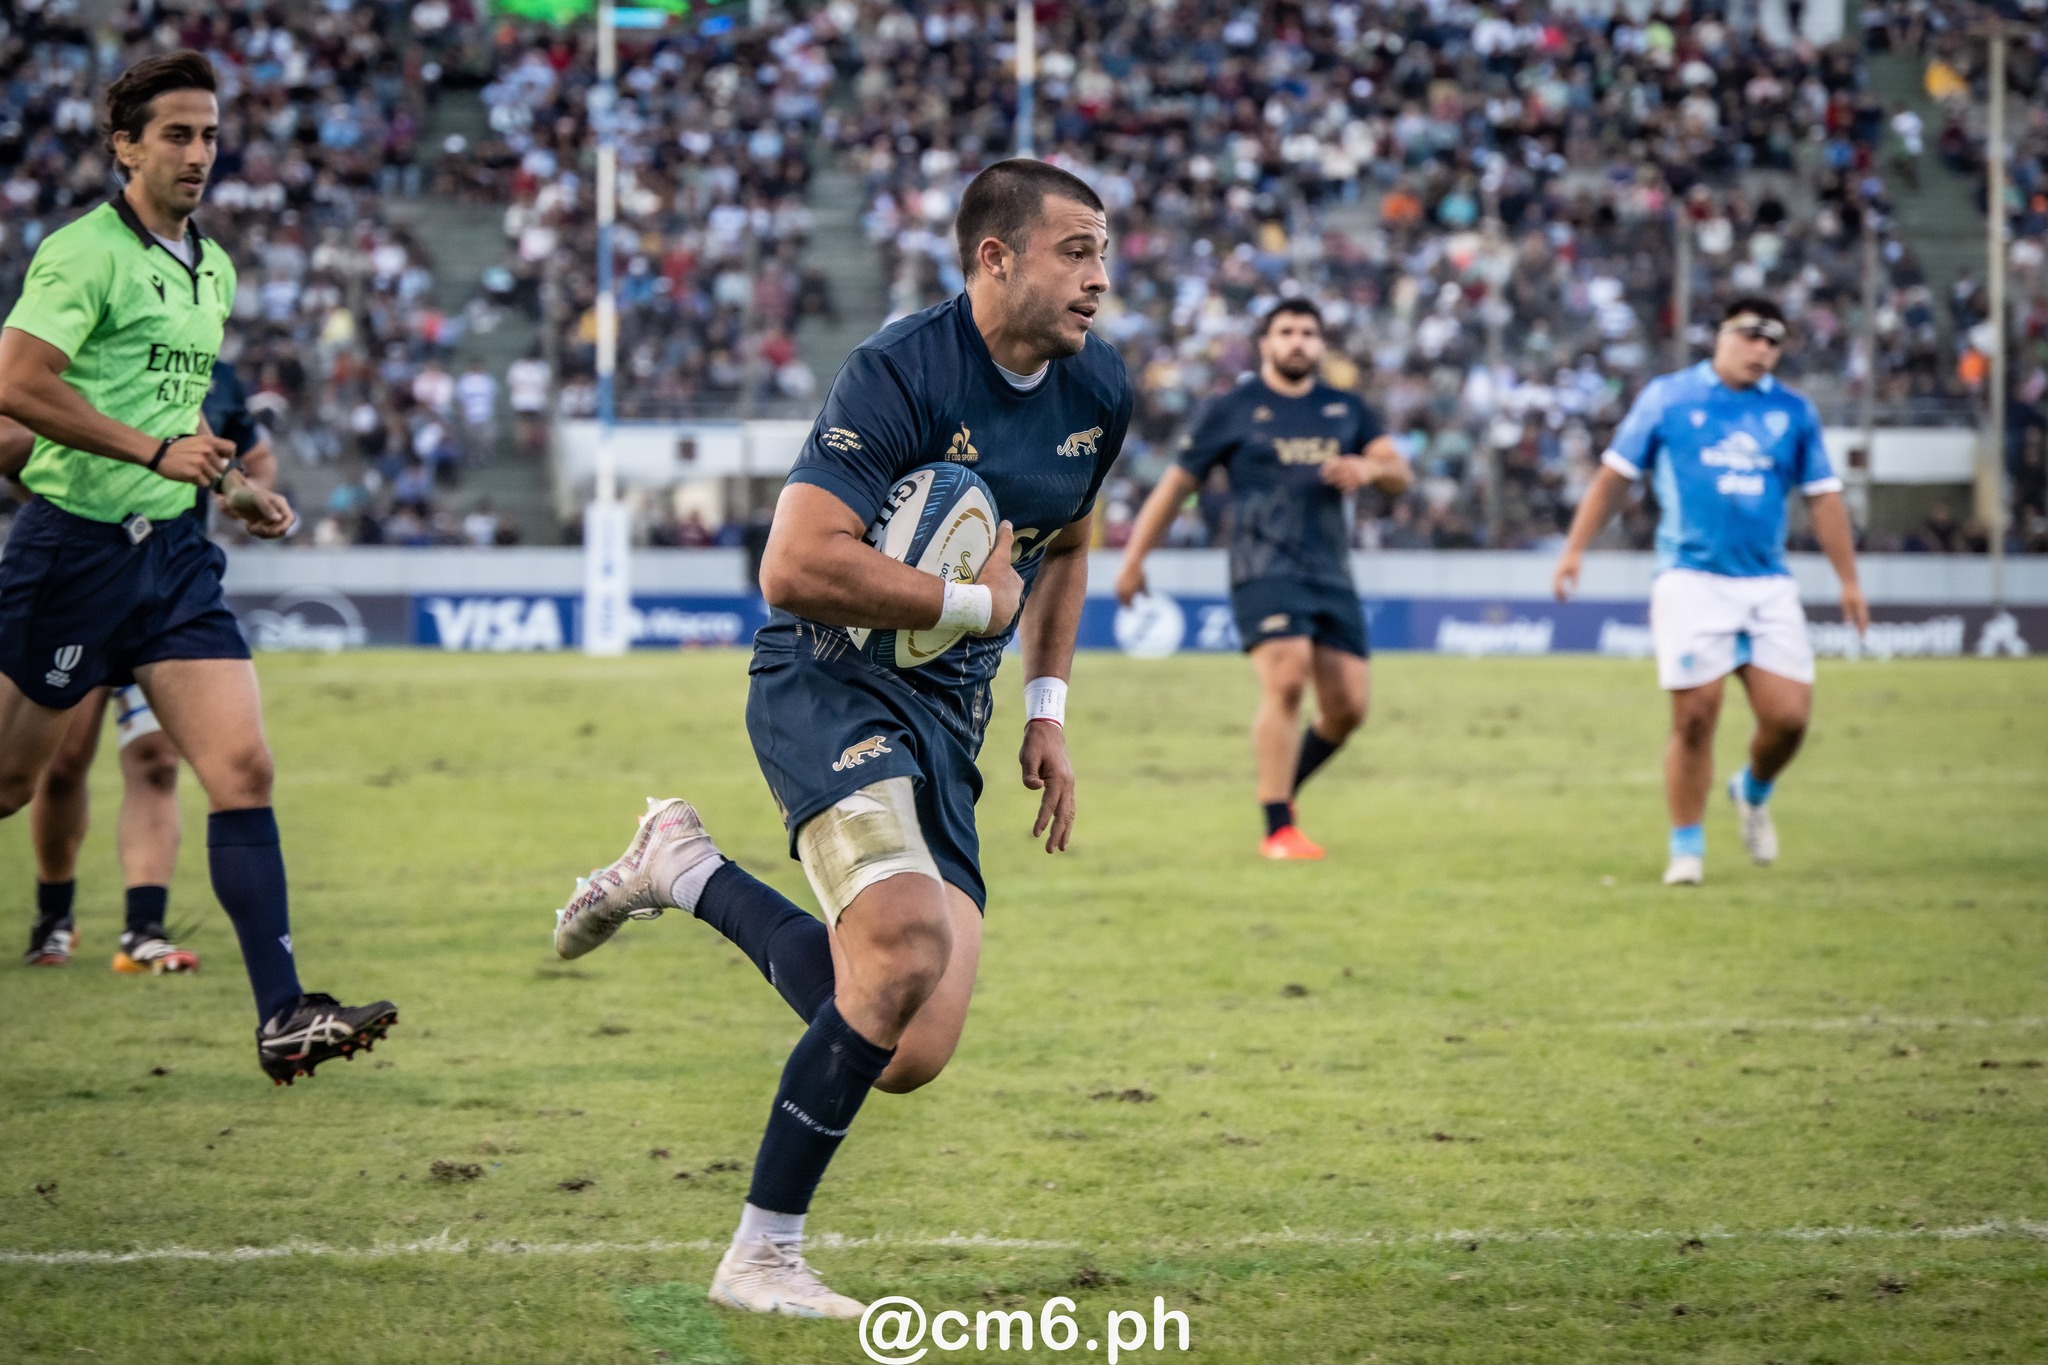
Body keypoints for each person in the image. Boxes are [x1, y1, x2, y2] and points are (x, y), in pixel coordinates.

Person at [549, 159, 1129, 1317]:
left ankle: (682, 867)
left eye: (1103, 253)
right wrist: (972, 606)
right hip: (829, 683)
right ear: (994, 258)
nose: (1098, 278)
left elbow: (1065, 549)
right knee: (903, 947)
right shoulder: (898, 372)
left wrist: (1046, 711)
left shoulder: (1099, 387)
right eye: (1075, 251)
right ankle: (761, 1256)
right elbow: (793, 566)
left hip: (948, 720)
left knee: (909, 1046)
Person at [0, 51, 397, 1079]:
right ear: (125, 148)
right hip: (71, 551)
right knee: (9, 784)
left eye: (210, 134)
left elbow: (176, 418)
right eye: (176, 134)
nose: (198, 153)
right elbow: (18, 383)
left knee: (242, 769)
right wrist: (150, 453)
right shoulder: (81, 253)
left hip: (174, 556)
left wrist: (235, 489)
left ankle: (283, 1015)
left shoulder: (210, 267)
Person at [1552, 296, 1869, 885]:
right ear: (1720, 336)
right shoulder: (1668, 398)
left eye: (1773, 342)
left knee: (1789, 719)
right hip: (1690, 577)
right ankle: (1687, 850)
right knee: (1696, 714)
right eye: (1751, 335)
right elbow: (1614, 477)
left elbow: (1823, 498)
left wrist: (1848, 580)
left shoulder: (1793, 412)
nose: (1761, 349)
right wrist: (1575, 549)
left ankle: (1752, 790)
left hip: (1767, 583)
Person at [1114, 299, 1412, 860]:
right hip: (1262, 567)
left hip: (1331, 573)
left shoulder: (1346, 409)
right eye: (1286, 331)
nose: (1298, 341)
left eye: (1308, 332)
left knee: (1349, 708)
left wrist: (1370, 468)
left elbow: (1400, 472)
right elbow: (1175, 487)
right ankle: (1277, 828)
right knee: (1287, 677)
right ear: (1266, 344)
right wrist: (1133, 560)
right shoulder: (1233, 409)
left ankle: (1283, 790)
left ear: (1320, 345)